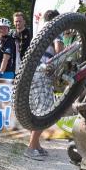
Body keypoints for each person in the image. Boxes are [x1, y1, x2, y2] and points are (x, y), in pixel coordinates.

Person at [24, 10, 62, 161]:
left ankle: (36, 144)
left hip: (32, 73)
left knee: (36, 109)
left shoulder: (39, 33)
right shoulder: (54, 31)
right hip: (43, 74)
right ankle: (31, 147)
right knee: (44, 110)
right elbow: (59, 51)